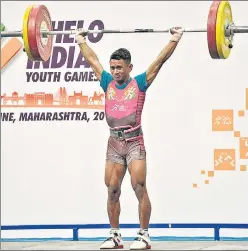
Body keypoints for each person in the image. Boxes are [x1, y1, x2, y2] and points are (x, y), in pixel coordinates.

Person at [75, 27, 184, 250]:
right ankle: (115, 237)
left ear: (129, 68)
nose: (115, 71)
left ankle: (144, 235)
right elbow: (92, 60)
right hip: (113, 143)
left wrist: (175, 38)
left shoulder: (140, 83)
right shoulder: (106, 81)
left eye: (119, 68)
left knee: (139, 186)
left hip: (134, 142)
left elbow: (159, 60)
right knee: (112, 189)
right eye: (113, 67)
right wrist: (81, 41)